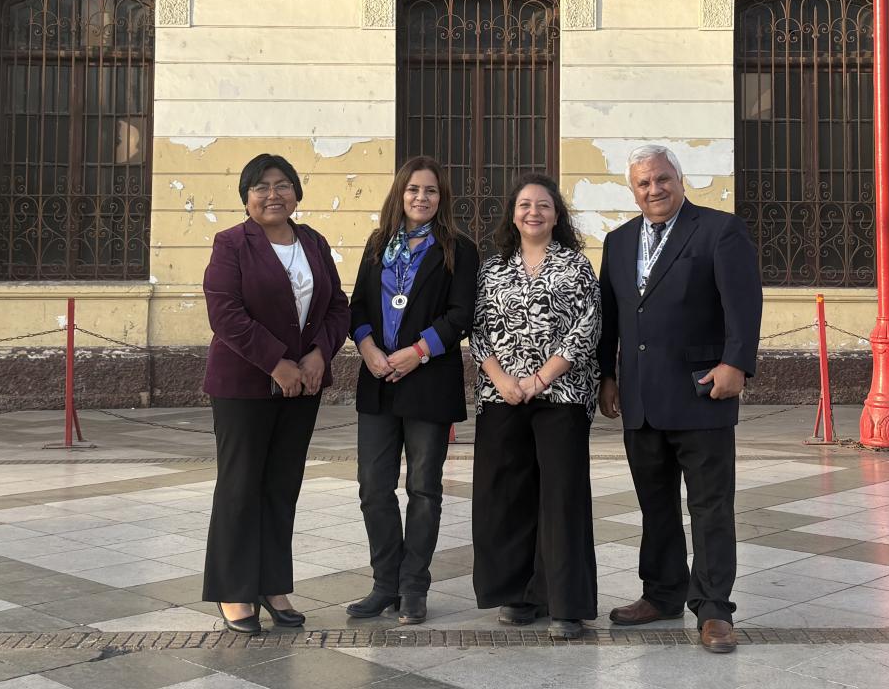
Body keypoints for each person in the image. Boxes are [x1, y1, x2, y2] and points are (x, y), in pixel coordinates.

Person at [598, 144, 761, 654]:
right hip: (641, 398)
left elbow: (744, 300)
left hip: (701, 391)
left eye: (662, 179)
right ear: (633, 190)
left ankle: (714, 610)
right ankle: (662, 592)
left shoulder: (718, 230)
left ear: (680, 179)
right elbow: (611, 315)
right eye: (643, 184)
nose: (654, 190)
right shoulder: (618, 242)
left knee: (710, 506)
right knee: (655, 505)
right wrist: (607, 374)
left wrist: (737, 363)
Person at [200, 153, 350, 634]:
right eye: (261, 186)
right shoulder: (231, 244)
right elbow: (225, 314)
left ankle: (271, 585)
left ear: (296, 192)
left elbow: (338, 307)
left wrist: (318, 356)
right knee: (241, 486)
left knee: (281, 487)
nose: (272, 194)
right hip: (244, 385)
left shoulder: (313, 242)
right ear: (246, 197)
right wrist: (277, 362)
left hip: (303, 386)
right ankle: (233, 590)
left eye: (282, 184)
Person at [344, 156, 479, 626]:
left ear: (442, 198)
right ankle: (385, 583)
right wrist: (367, 349)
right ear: (400, 193)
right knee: (373, 488)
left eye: (432, 191)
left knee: (424, 488)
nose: (422, 198)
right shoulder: (378, 244)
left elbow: (462, 315)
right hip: (378, 381)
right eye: (413, 190)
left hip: (428, 382)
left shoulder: (459, 248)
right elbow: (357, 303)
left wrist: (417, 352)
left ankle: (413, 586)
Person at [469, 173, 601, 640]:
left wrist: (542, 377)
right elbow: (478, 328)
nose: (533, 213)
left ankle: (566, 604)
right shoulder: (492, 269)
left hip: (561, 396)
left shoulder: (576, 266)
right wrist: (504, 380)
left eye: (543, 205)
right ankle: (517, 594)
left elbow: (588, 327)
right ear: (513, 214)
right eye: (524, 205)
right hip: (502, 397)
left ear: (557, 215)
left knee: (561, 498)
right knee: (506, 496)